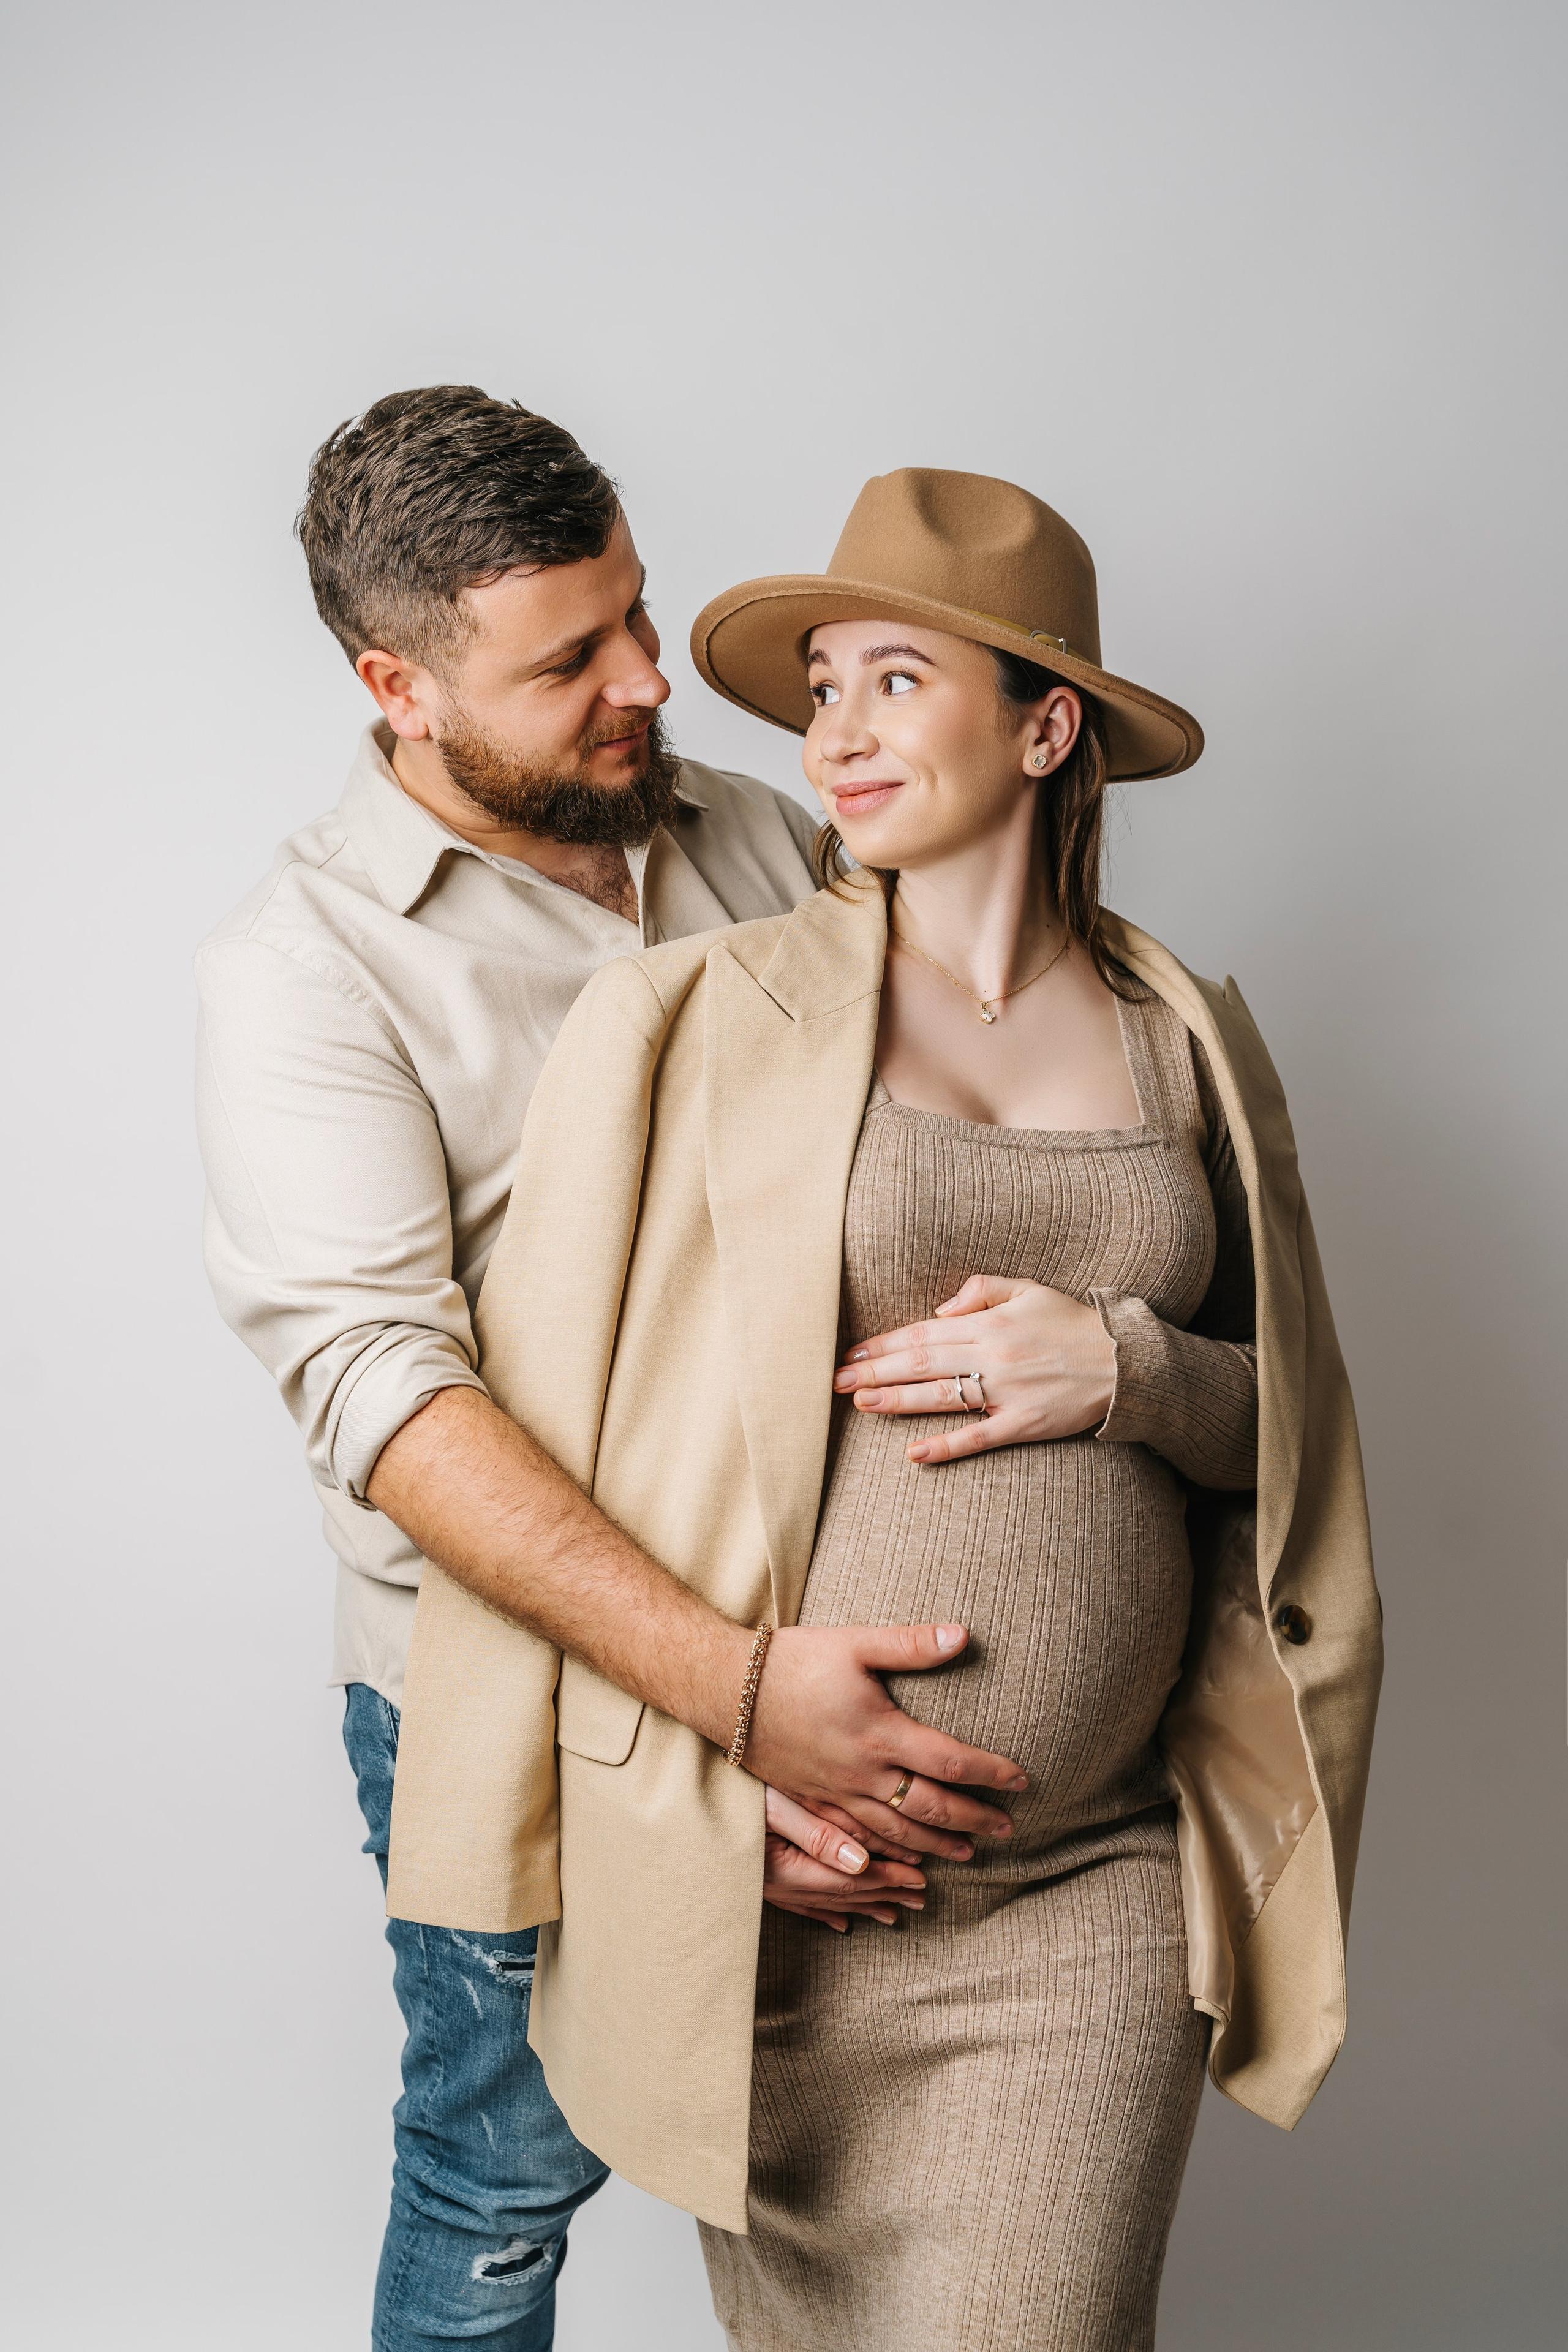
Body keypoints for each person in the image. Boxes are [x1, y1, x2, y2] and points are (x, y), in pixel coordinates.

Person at [386, 468, 1384, 2351]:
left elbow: (1303, 1445)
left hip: (1093, 1882)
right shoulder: (692, 1018)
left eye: (893, 680)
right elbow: (566, 1468)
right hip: (783, 1890)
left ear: (1044, 721)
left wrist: (1135, 1367)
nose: (832, 733)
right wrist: (692, 1799)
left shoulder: (1193, 1037)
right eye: (819, 688)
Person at [195, 402, 1036, 2351]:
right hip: (511, 1683)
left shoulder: (760, 838)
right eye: (570, 658)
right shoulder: (302, 968)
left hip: (833, 1655)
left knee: (864, 2134)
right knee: (502, 2178)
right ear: (396, 684)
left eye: (637, 616)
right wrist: (741, 1702)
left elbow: (979, 1093)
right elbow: (388, 1402)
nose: (652, 683)